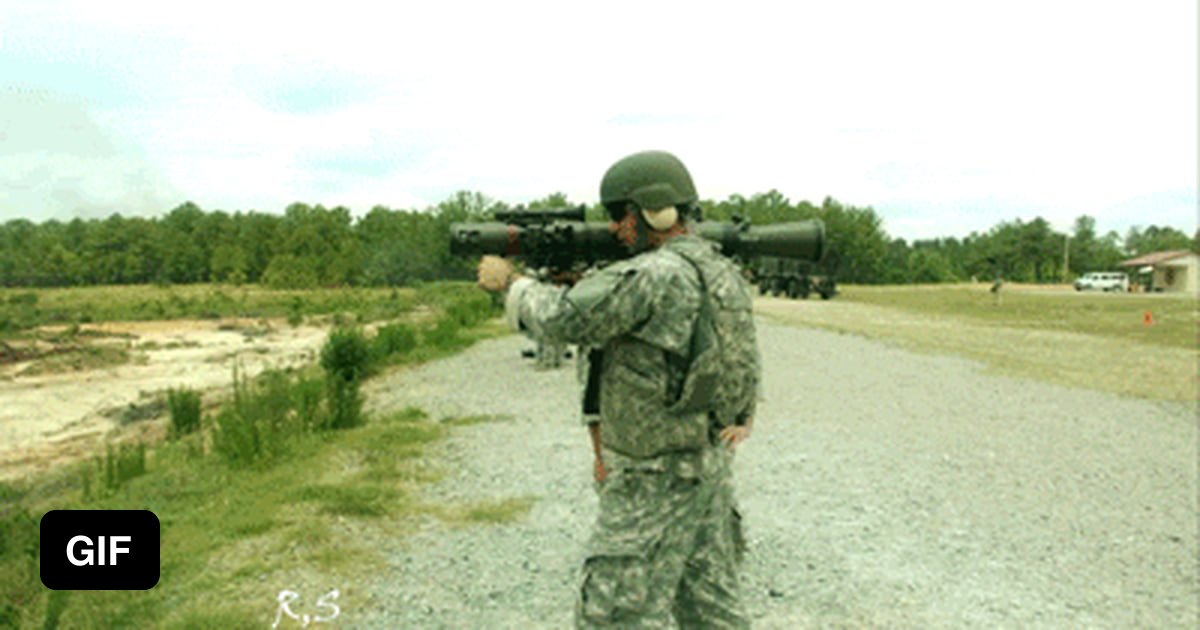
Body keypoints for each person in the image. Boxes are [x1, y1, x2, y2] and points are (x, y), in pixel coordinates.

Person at [477, 150, 759, 628]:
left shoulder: (656, 274)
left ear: (656, 212)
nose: (614, 228)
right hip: (706, 469)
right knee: (711, 610)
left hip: (654, 477)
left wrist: (513, 285)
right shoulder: (719, 269)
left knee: (613, 612)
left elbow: (565, 319)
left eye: (619, 215)